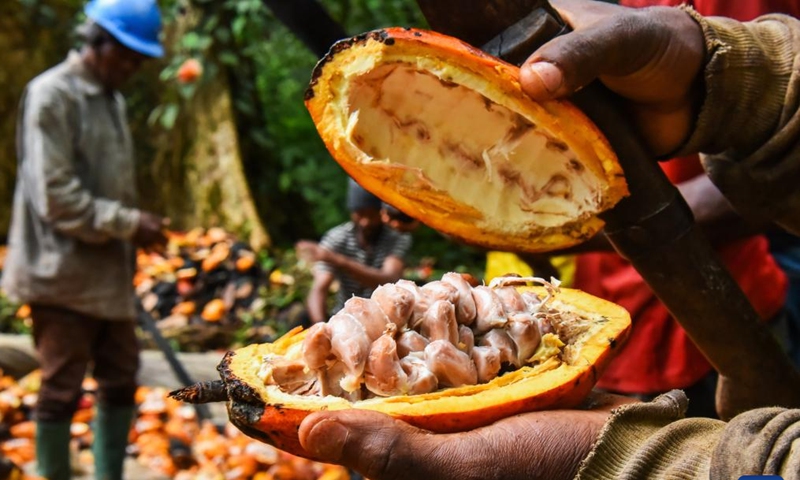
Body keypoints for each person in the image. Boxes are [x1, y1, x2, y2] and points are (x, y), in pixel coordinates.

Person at [293, 1, 800, 478]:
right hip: (606, 330)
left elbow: (738, 205)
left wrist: (639, 463)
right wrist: (725, 80)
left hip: (714, 321)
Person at [1, 1, 167, 479]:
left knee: (119, 380)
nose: (132, 69)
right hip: (60, 274)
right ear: (99, 43)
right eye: (127, 57)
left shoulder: (111, 100)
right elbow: (55, 197)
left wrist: (133, 229)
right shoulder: (52, 95)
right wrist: (129, 223)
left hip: (108, 277)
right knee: (61, 388)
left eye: (139, 61)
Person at [296, 179, 412, 324]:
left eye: (372, 215)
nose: (365, 222)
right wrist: (320, 326)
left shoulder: (396, 238)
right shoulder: (337, 237)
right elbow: (320, 288)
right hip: (345, 320)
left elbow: (389, 278)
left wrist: (338, 260)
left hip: (385, 320)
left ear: (382, 213)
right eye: (360, 214)